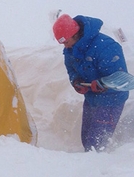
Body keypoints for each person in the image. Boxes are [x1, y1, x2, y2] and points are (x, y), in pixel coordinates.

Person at [52, 13, 129, 151]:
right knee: (86, 138)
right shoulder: (70, 50)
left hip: (111, 100)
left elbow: (120, 78)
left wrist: (103, 84)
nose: (64, 45)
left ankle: (108, 169)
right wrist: (76, 81)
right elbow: (71, 70)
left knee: (96, 144)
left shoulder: (106, 47)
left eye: (65, 41)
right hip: (92, 98)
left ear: (74, 33)